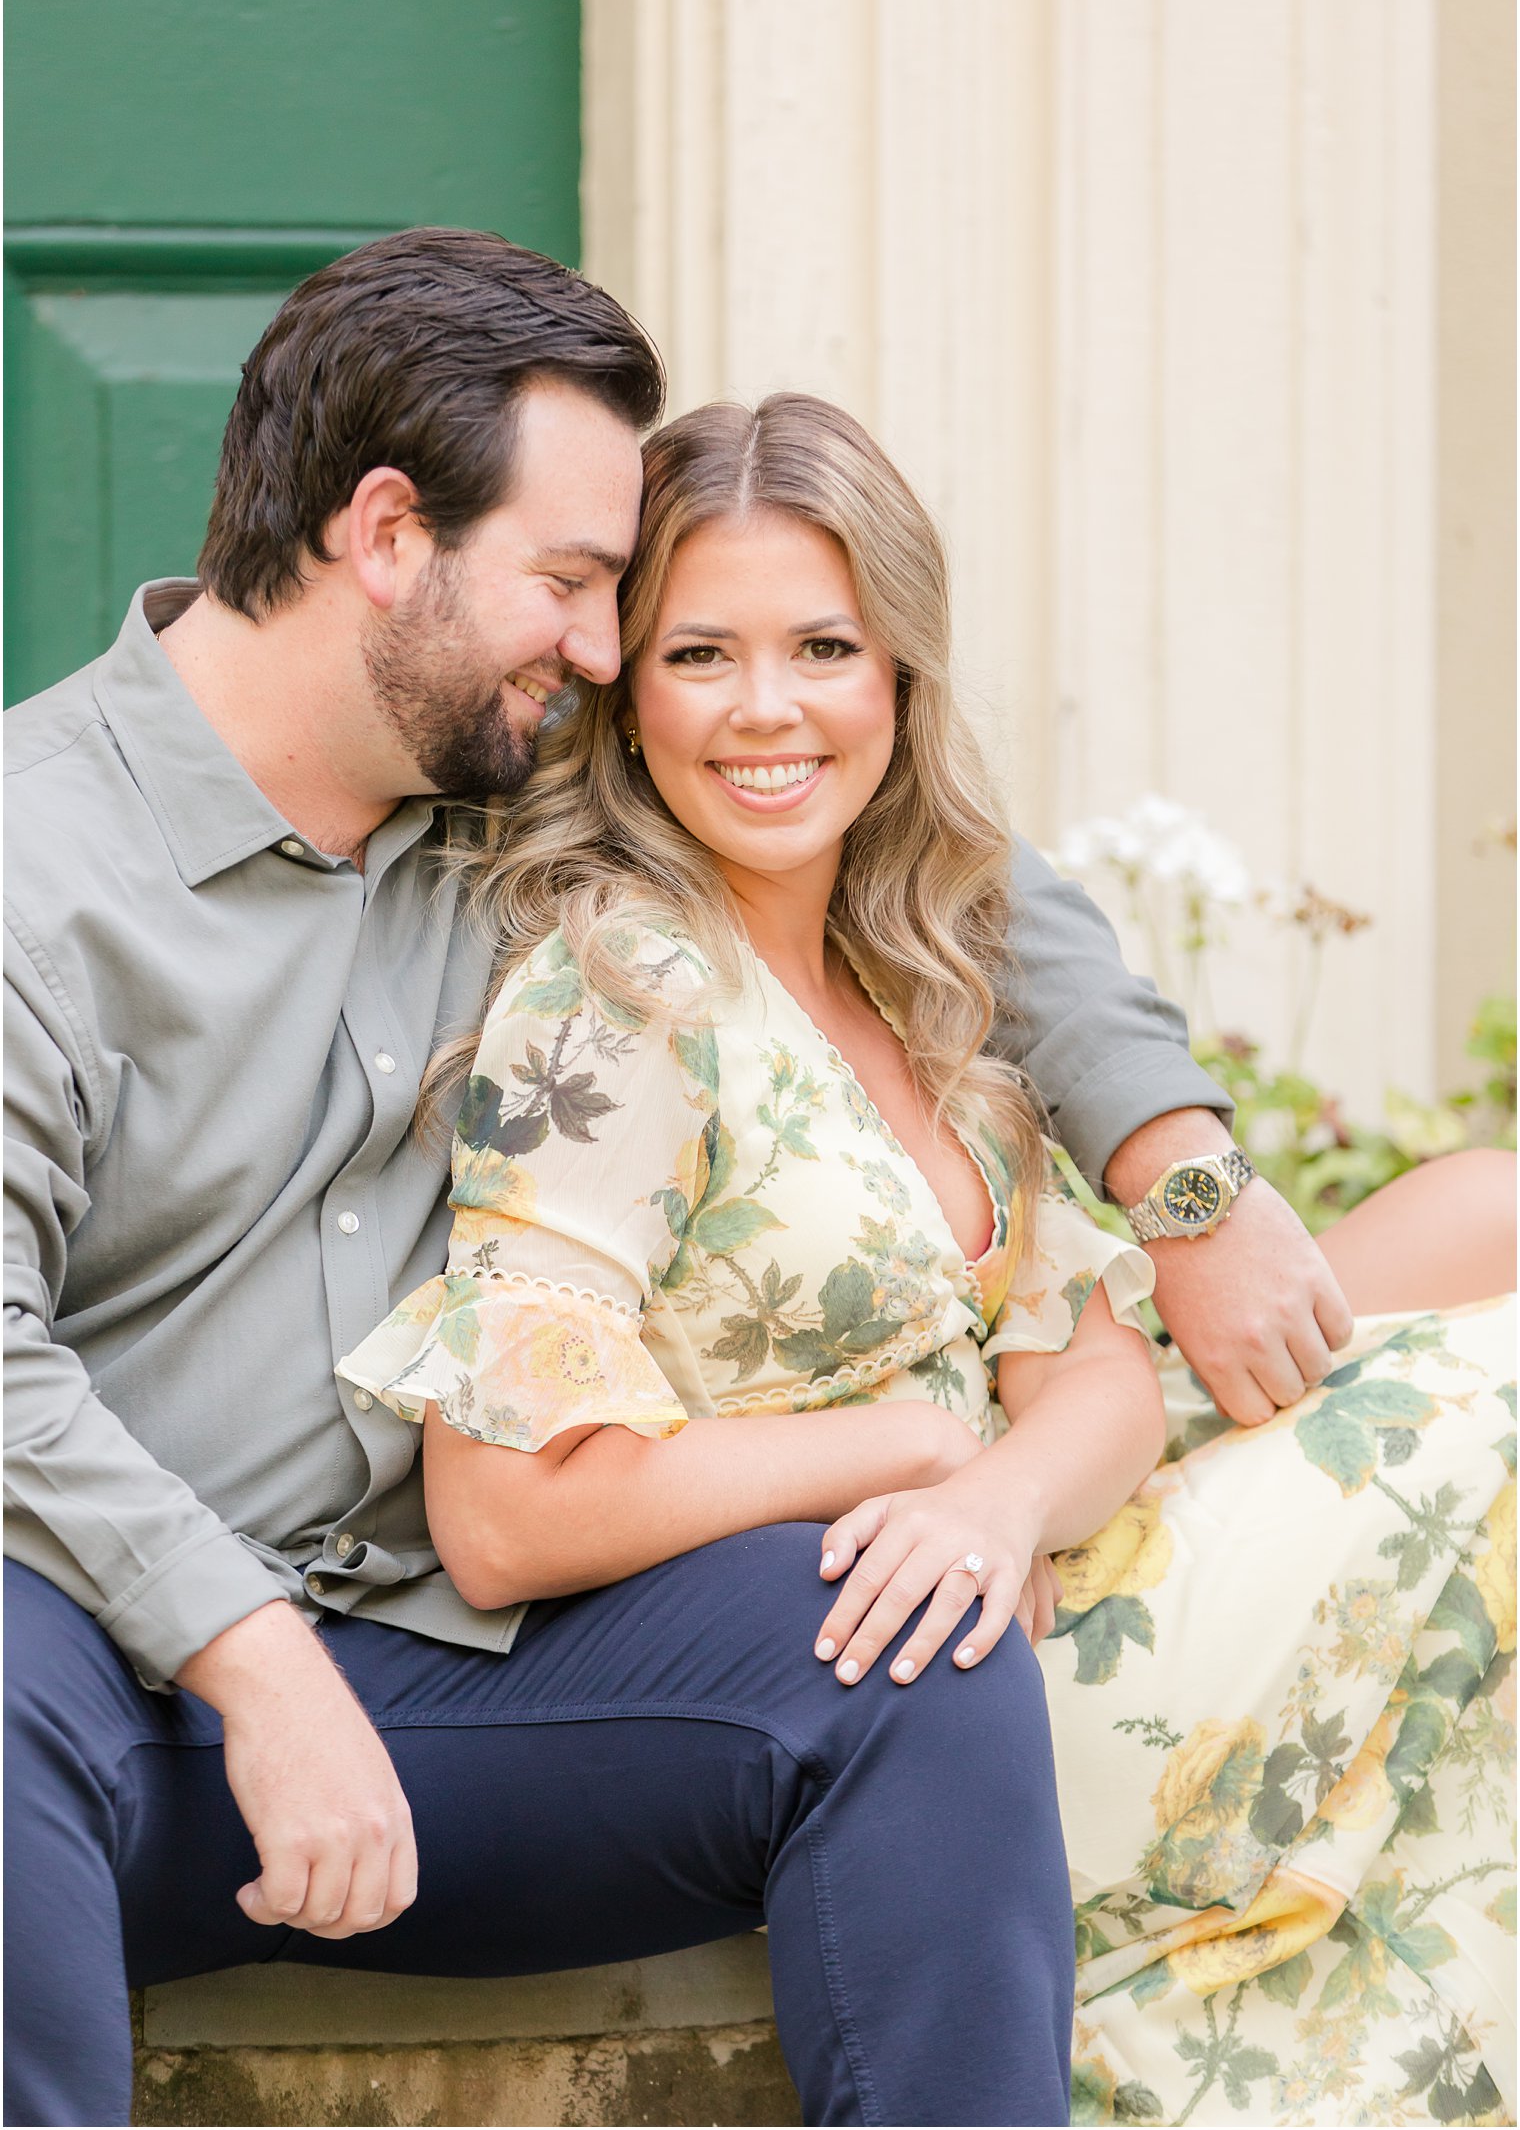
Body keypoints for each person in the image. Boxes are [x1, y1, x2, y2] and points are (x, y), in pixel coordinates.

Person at [0, 227, 1390, 2130]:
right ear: (388, 532)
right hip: (103, 1701)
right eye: (573, 584)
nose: (599, 645)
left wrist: (1176, 1161)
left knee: (916, 1654)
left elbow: (941, 857)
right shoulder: (31, 872)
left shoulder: (502, 789)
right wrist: (248, 1659)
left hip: (450, 1685)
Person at [335, 391, 1517, 2126]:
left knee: (1488, 1203)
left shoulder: (916, 977)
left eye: (825, 645)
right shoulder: (626, 990)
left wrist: (1003, 1494)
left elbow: (1092, 1368)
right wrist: (905, 1458)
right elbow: (504, 1516)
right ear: (625, 692)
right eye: (699, 653)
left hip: (1034, 1553)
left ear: (901, 676)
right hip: (943, 1694)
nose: (767, 709)